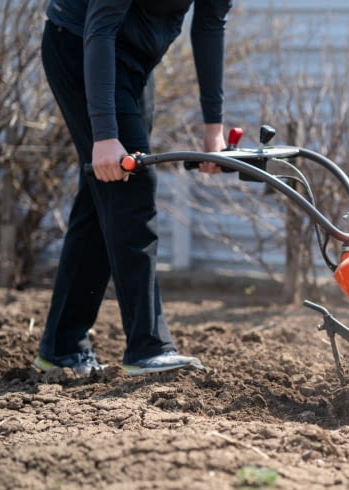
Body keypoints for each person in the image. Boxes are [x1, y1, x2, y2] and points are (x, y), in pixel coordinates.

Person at [34, 0, 233, 377]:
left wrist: (214, 132)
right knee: (130, 186)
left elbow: (210, 26)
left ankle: (61, 348)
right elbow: (101, 27)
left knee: (105, 195)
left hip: (135, 60)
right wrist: (105, 135)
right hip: (82, 45)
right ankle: (148, 347)